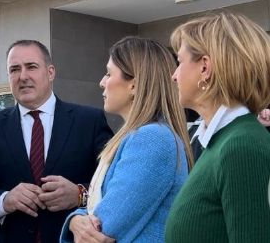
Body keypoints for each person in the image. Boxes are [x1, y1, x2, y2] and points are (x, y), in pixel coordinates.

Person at [0, 40, 113, 243]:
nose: (23, 76)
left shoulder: (89, 121)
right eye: (14, 69)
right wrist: (5, 201)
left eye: (31, 67)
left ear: (50, 72)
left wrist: (79, 194)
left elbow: (115, 182)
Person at [61, 36, 192, 242]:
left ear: (134, 85)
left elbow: (104, 227)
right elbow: (101, 212)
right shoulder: (142, 135)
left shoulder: (152, 139)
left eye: (108, 73)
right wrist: (75, 219)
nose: (102, 82)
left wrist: (77, 220)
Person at [165, 12, 270, 242]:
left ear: (205, 68)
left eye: (179, 62)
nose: (174, 76)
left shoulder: (241, 146)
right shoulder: (219, 142)